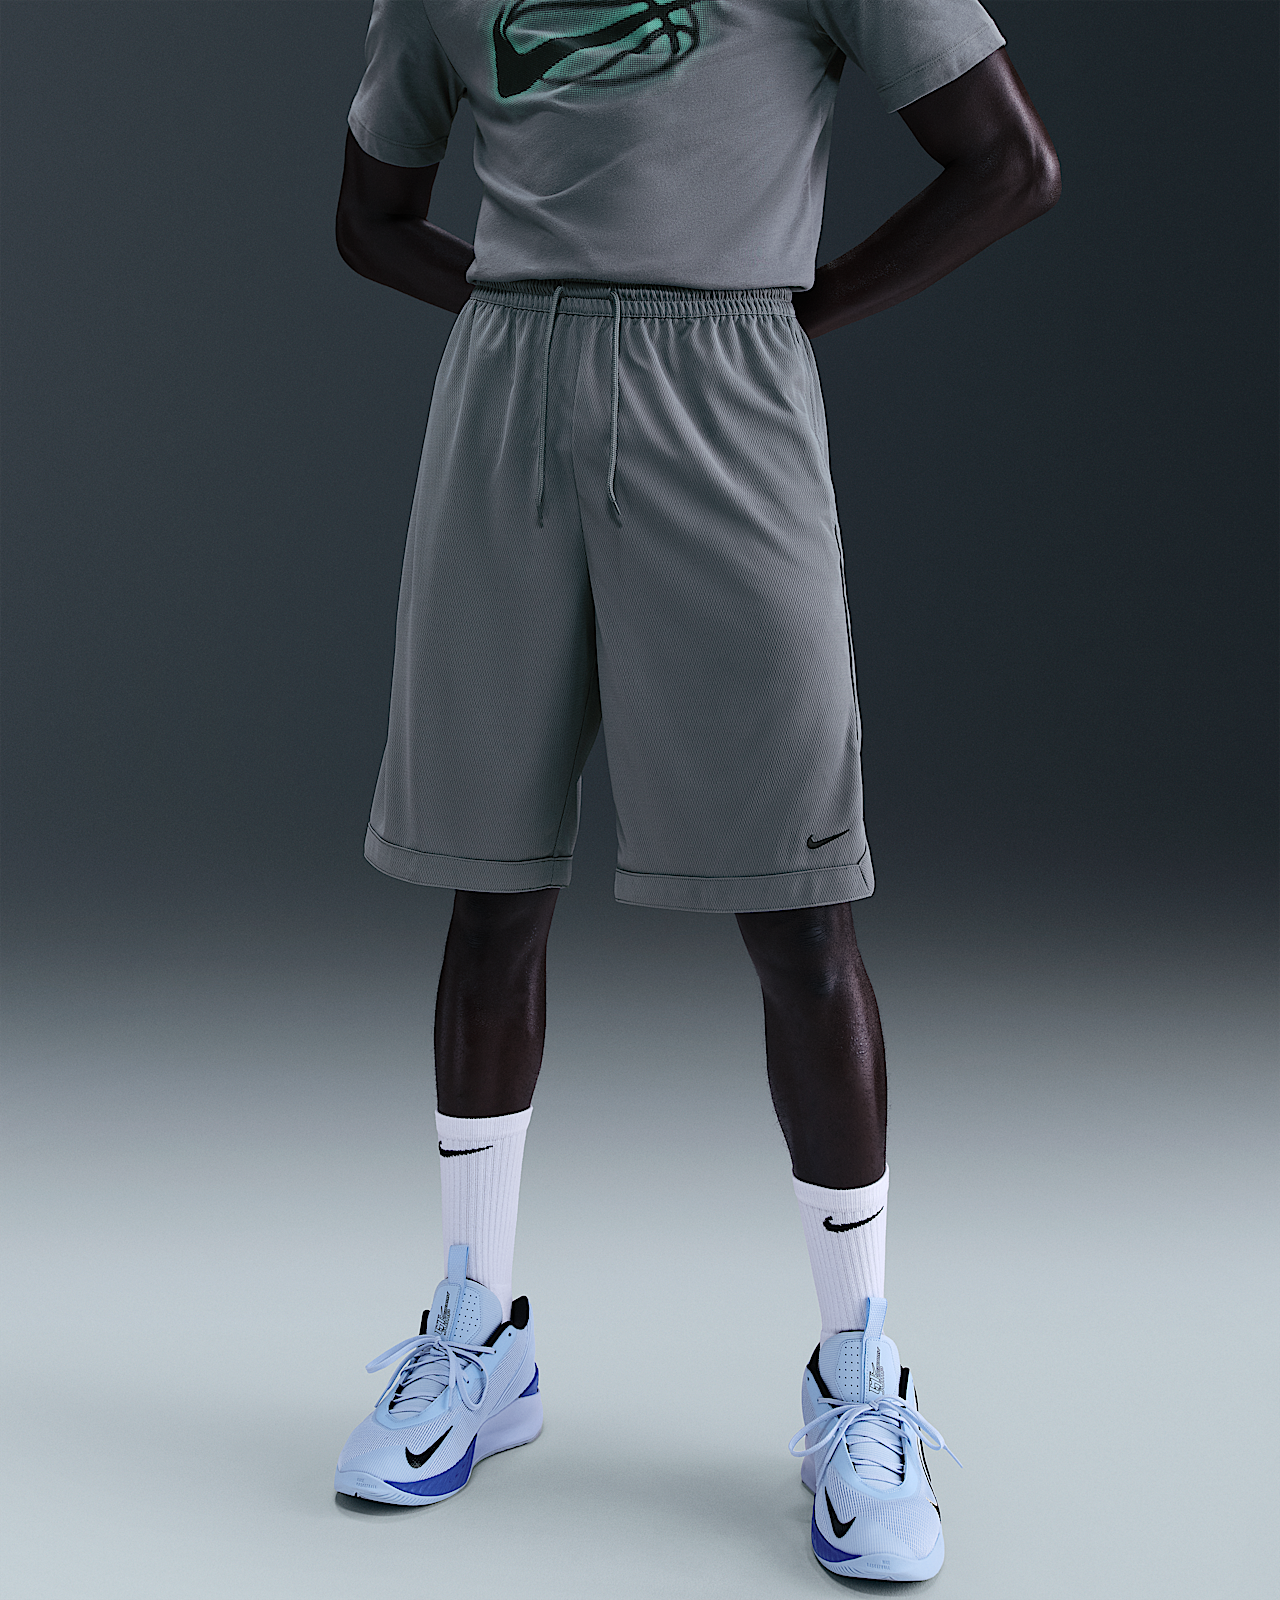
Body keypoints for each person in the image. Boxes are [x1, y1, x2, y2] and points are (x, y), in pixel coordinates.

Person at [331, 0, 1058, 1578]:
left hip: (728, 384)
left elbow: (1009, 164)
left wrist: (791, 310)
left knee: (801, 905)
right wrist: (532, 304)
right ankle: (478, 1333)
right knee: (489, 885)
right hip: (505, 403)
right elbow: (367, 217)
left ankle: (858, 1371)